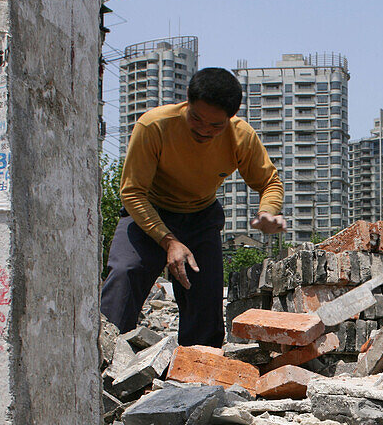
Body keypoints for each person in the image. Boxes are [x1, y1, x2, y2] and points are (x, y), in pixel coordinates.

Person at [100, 67, 286, 347]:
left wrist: (267, 212)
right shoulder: (154, 126)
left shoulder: (241, 136)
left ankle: (197, 375)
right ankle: (105, 359)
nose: (203, 130)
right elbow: (132, 192)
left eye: (216, 126)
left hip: (200, 219)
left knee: (204, 298)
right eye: (196, 119)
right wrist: (169, 241)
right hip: (148, 212)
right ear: (186, 101)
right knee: (126, 273)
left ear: (230, 118)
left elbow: (270, 182)